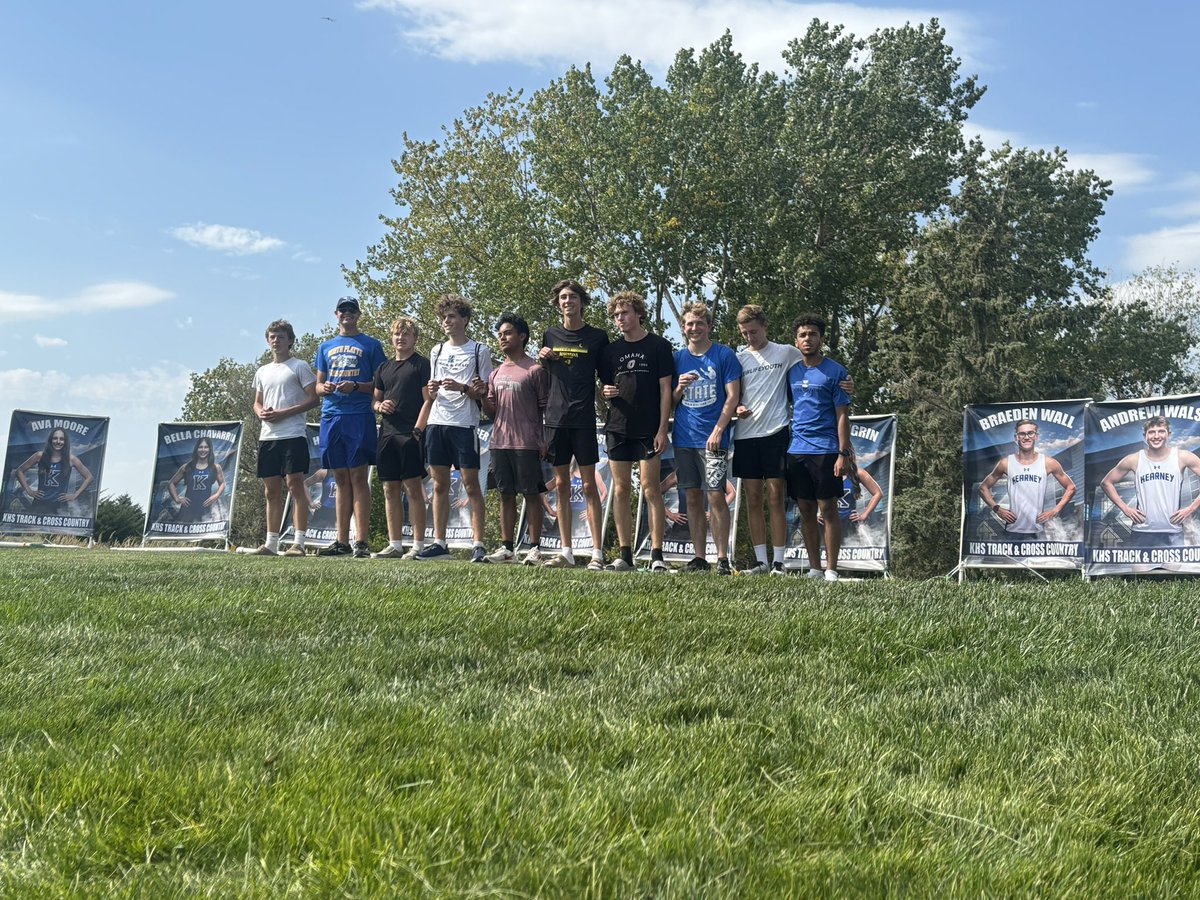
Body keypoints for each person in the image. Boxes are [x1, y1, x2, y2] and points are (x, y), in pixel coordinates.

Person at [599, 290, 674, 572]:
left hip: (648, 428)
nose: (620, 319)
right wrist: (606, 391)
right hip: (617, 426)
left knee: (650, 488)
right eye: (616, 315)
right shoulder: (610, 351)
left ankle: (656, 556)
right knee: (620, 490)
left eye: (625, 313)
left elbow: (666, 390)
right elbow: (607, 387)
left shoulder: (659, 346)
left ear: (639, 314)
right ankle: (625, 554)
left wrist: (662, 428)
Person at [415, 294, 493, 562]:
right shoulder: (436, 350)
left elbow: (483, 393)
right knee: (439, 485)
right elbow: (430, 392)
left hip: (463, 424)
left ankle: (478, 544)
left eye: (451, 317)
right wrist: (433, 389)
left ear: (465, 320)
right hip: (437, 422)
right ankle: (439, 543)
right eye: (443, 318)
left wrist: (462, 388)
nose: (446, 322)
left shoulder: (479, 350)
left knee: (471, 485)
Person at [538, 279, 610, 569]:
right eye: (563, 298)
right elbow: (543, 374)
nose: (568, 302)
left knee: (590, 485)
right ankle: (566, 551)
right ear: (558, 304)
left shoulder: (597, 337)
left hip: (583, 418)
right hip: (555, 420)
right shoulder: (549, 334)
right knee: (562, 486)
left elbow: (607, 377)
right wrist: (542, 359)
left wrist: (611, 391)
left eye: (573, 297)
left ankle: (597, 553)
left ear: (582, 302)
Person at [315, 297, 388, 557]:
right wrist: (324, 388)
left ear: (358, 315)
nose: (347, 314)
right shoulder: (325, 347)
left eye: (351, 310)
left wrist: (356, 386)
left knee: (358, 477)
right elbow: (318, 385)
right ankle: (342, 541)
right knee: (340, 478)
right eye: (343, 310)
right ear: (336, 314)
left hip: (359, 415)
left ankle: (362, 542)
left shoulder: (371, 345)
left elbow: (382, 384)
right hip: (331, 415)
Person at [672, 302, 741, 575]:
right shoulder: (677, 358)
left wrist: (719, 430)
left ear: (709, 326)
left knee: (716, 496)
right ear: (684, 328)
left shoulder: (724, 355)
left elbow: (734, 396)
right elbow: (671, 400)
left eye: (700, 323)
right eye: (690, 324)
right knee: (692, 498)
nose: (694, 328)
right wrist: (679, 387)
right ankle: (699, 558)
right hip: (684, 438)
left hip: (713, 440)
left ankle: (722, 558)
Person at [786, 312, 851, 582]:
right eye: (803, 335)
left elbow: (842, 414)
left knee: (828, 509)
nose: (807, 339)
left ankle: (831, 569)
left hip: (826, 450)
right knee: (805, 510)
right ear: (796, 340)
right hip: (796, 450)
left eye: (813, 334)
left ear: (821, 338)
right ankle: (814, 568)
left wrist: (843, 453)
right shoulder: (791, 372)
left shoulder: (837, 372)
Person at [482, 312, 550, 564]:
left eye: (508, 333)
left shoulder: (536, 370)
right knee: (505, 494)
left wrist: (544, 440)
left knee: (531, 494)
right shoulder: (496, 373)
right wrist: (480, 396)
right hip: (499, 442)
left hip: (527, 442)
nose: (502, 338)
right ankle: (507, 549)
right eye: (499, 334)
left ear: (522, 336)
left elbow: (545, 407)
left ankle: (535, 549)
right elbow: (491, 410)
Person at [249, 319, 319, 556]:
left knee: (295, 485)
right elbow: (257, 402)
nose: (276, 341)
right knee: (271, 491)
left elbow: (313, 398)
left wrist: (283, 413)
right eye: (272, 337)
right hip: (268, 436)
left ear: (290, 340)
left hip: (293, 434)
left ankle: (298, 543)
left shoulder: (299, 366)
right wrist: (262, 414)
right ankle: (271, 542)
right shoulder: (262, 371)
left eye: (281, 337)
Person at [371, 317, 431, 559]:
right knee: (389, 488)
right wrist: (379, 407)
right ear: (392, 338)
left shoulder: (421, 364)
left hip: (411, 434)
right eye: (397, 334)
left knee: (414, 488)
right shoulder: (383, 368)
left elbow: (429, 399)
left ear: (414, 338)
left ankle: (418, 544)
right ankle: (394, 544)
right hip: (387, 434)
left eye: (406, 334)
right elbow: (374, 400)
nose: (401, 338)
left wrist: (418, 431)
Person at [1101, 416, 1200, 548]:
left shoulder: (1182, 457)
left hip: (1173, 532)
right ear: (1145, 436)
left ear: (1168, 434)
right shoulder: (1134, 459)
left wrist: (1191, 508)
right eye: (1151, 432)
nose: (1156, 436)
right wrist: (1125, 508)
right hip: (1142, 532)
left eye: (1161, 431)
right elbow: (1106, 483)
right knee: (1139, 569)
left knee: (1173, 569)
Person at [979, 418, 1076, 542]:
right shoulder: (1006, 463)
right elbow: (983, 488)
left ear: (1037, 437)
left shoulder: (1048, 463)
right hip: (1012, 531)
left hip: (1038, 532)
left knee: (1040, 562)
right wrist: (997, 509)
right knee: (1009, 562)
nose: (1026, 437)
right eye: (1022, 434)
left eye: (1030, 433)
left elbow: (1071, 487)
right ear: (1016, 438)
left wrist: (1055, 510)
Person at [15, 427, 94, 515]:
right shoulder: (39, 456)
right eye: (55, 438)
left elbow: (89, 477)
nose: (58, 441)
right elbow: (19, 471)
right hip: (39, 504)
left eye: (62, 439)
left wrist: (75, 495)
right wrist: (29, 491)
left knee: (57, 529)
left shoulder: (71, 459)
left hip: (60, 506)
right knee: (33, 529)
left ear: (65, 442)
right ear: (50, 440)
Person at [167, 436, 226, 523]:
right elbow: (171, 483)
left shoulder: (215, 467)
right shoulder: (187, 467)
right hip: (187, 510)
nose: (203, 450)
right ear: (196, 449)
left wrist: (216, 495)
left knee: (206, 535)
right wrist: (177, 499)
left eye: (206, 447)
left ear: (210, 449)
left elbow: (222, 483)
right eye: (200, 447)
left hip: (205, 509)